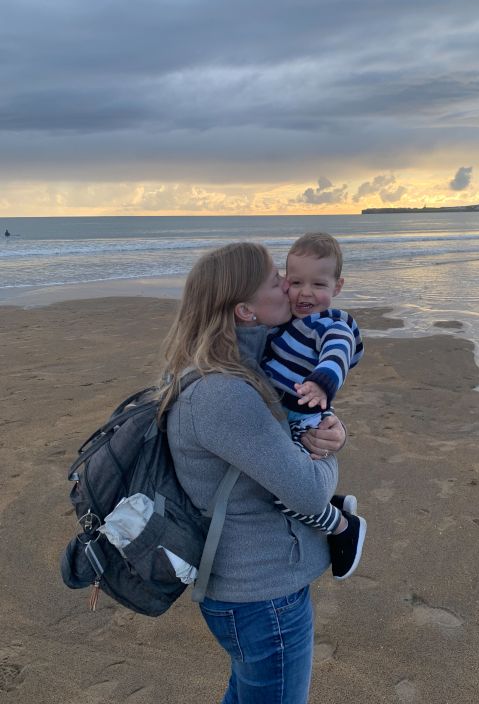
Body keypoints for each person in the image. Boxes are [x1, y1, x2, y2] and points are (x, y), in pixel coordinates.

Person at [162, 242, 348, 704]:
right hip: (262, 596)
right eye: (275, 281)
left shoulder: (243, 369)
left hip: (250, 588)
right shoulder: (224, 392)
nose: (288, 286)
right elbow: (307, 493)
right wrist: (327, 457)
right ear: (245, 310)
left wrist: (328, 436)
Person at [261, 233, 367, 580]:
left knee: (283, 491)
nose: (306, 293)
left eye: (318, 283)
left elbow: (338, 351)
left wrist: (323, 382)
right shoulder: (284, 322)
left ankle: (340, 526)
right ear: (284, 281)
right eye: (296, 282)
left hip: (306, 416)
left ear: (337, 286)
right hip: (282, 415)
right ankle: (330, 505)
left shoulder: (331, 323)